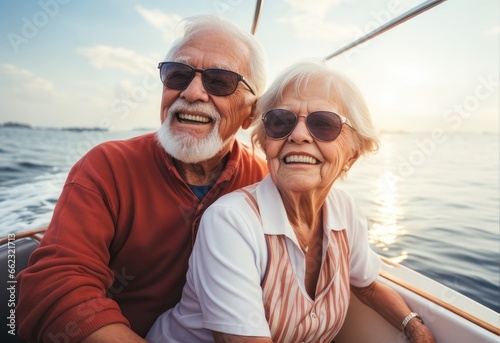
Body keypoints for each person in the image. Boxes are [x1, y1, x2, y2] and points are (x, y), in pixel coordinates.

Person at [15, 13, 269, 343]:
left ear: (251, 114)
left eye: (220, 81)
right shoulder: (106, 167)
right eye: (177, 74)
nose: (191, 92)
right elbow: (56, 285)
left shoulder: (263, 183)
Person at [146, 59, 436, 343]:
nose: (298, 135)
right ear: (264, 144)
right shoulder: (230, 221)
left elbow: (368, 286)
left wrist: (415, 328)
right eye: (280, 121)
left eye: (323, 124)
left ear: (352, 154)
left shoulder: (345, 210)